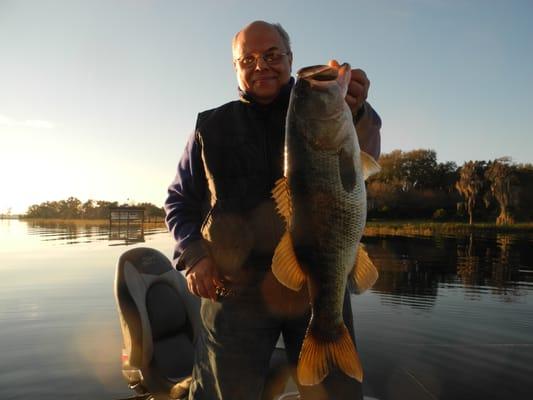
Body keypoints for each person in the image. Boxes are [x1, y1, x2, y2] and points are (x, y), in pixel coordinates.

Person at [165, 20, 381, 400]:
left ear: (290, 59)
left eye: (272, 55)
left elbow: (364, 154)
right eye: (247, 58)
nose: (260, 65)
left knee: (336, 391)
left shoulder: (325, 106)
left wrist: (359, 110)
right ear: (235, 68)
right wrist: (194, 255)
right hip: (232, 291)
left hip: (316, 282)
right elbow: (179, 201)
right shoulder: (209, 127)